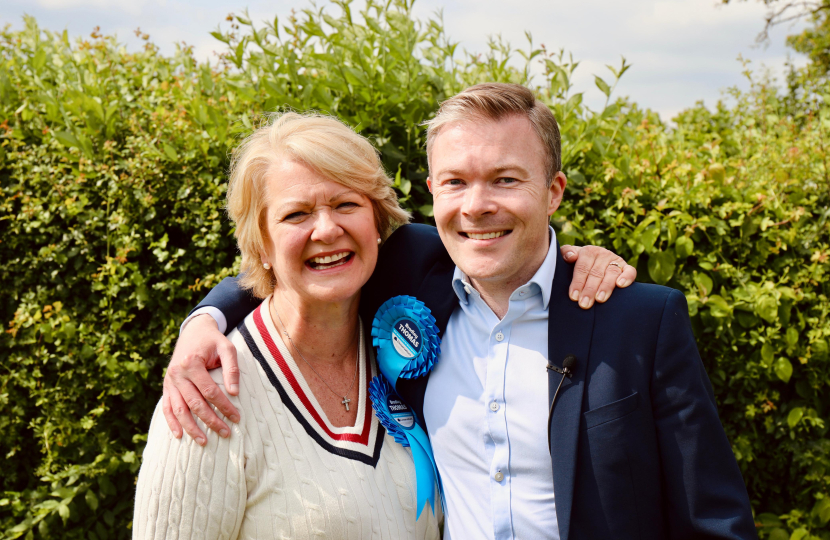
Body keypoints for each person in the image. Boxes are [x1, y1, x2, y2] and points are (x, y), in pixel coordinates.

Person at [157, 84, 755, 539]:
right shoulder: (409, 276)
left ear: (553, 191)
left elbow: (715, 520)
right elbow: (291, 265)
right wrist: (203, 322)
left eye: (505, 180)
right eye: (456, 183)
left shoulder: (637, 320)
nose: (478, 207)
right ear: (432, 193)